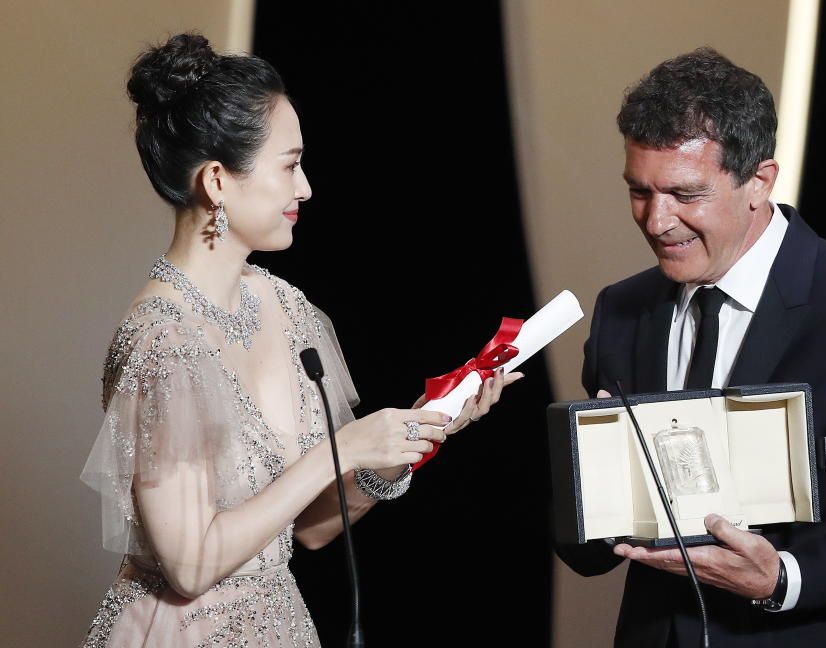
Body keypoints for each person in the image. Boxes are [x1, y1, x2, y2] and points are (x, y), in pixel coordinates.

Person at [78, 33, 521, 647]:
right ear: (217, 181)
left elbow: (311, 530)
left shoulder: (288, 309)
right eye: (289, 165)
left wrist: (402, 443)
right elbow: (188, 567)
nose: (306, 187)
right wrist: (338, 451)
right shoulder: (163, 340)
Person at [556, 47, 826, 647]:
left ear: (760, 181)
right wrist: (590, 479)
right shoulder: (623, 308)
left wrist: (781, 578)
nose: (655, 220)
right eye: (638, 191)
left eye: (685, 194)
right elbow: (587, 552)